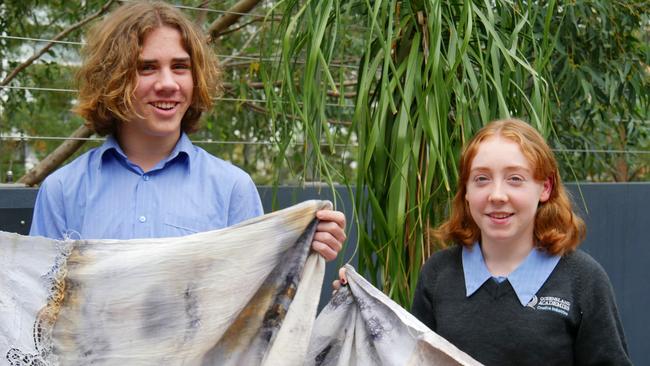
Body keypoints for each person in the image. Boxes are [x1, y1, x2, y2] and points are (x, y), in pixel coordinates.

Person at [29, 1, 345, 262]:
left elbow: (253, 303)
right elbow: (39, 309)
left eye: (180, 67)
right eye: (146, 68)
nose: (168, 84)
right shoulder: (62, 191)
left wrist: (305, 247)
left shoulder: (232, 189)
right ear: (112, 79)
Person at [407, 118, 631, 365]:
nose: (497, 195)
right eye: (481, 179)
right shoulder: (438, 274)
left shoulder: (583, 280)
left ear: (545, 188)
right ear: (467, 191)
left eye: (515, 178)